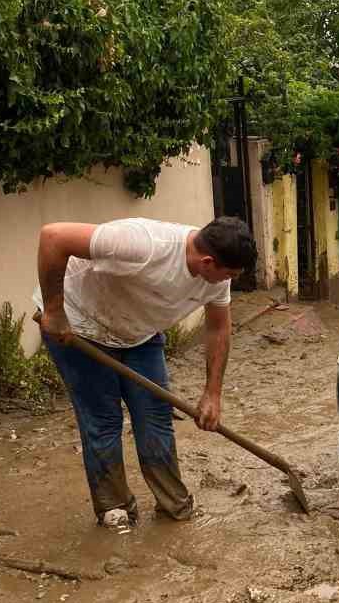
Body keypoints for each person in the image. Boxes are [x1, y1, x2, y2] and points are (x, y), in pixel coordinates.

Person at [35, 215, 255, 529]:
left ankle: (174, 507)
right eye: (228, 274)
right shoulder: (144, 244)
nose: (228, 281)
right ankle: (115, 511)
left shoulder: (218, 277)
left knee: (155, 417)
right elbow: (53, 235)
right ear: (208, 262)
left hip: (139, 334)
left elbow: (218, 327)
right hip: (79, 326)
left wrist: (212, 393)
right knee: (104, 419)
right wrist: (54, 311)